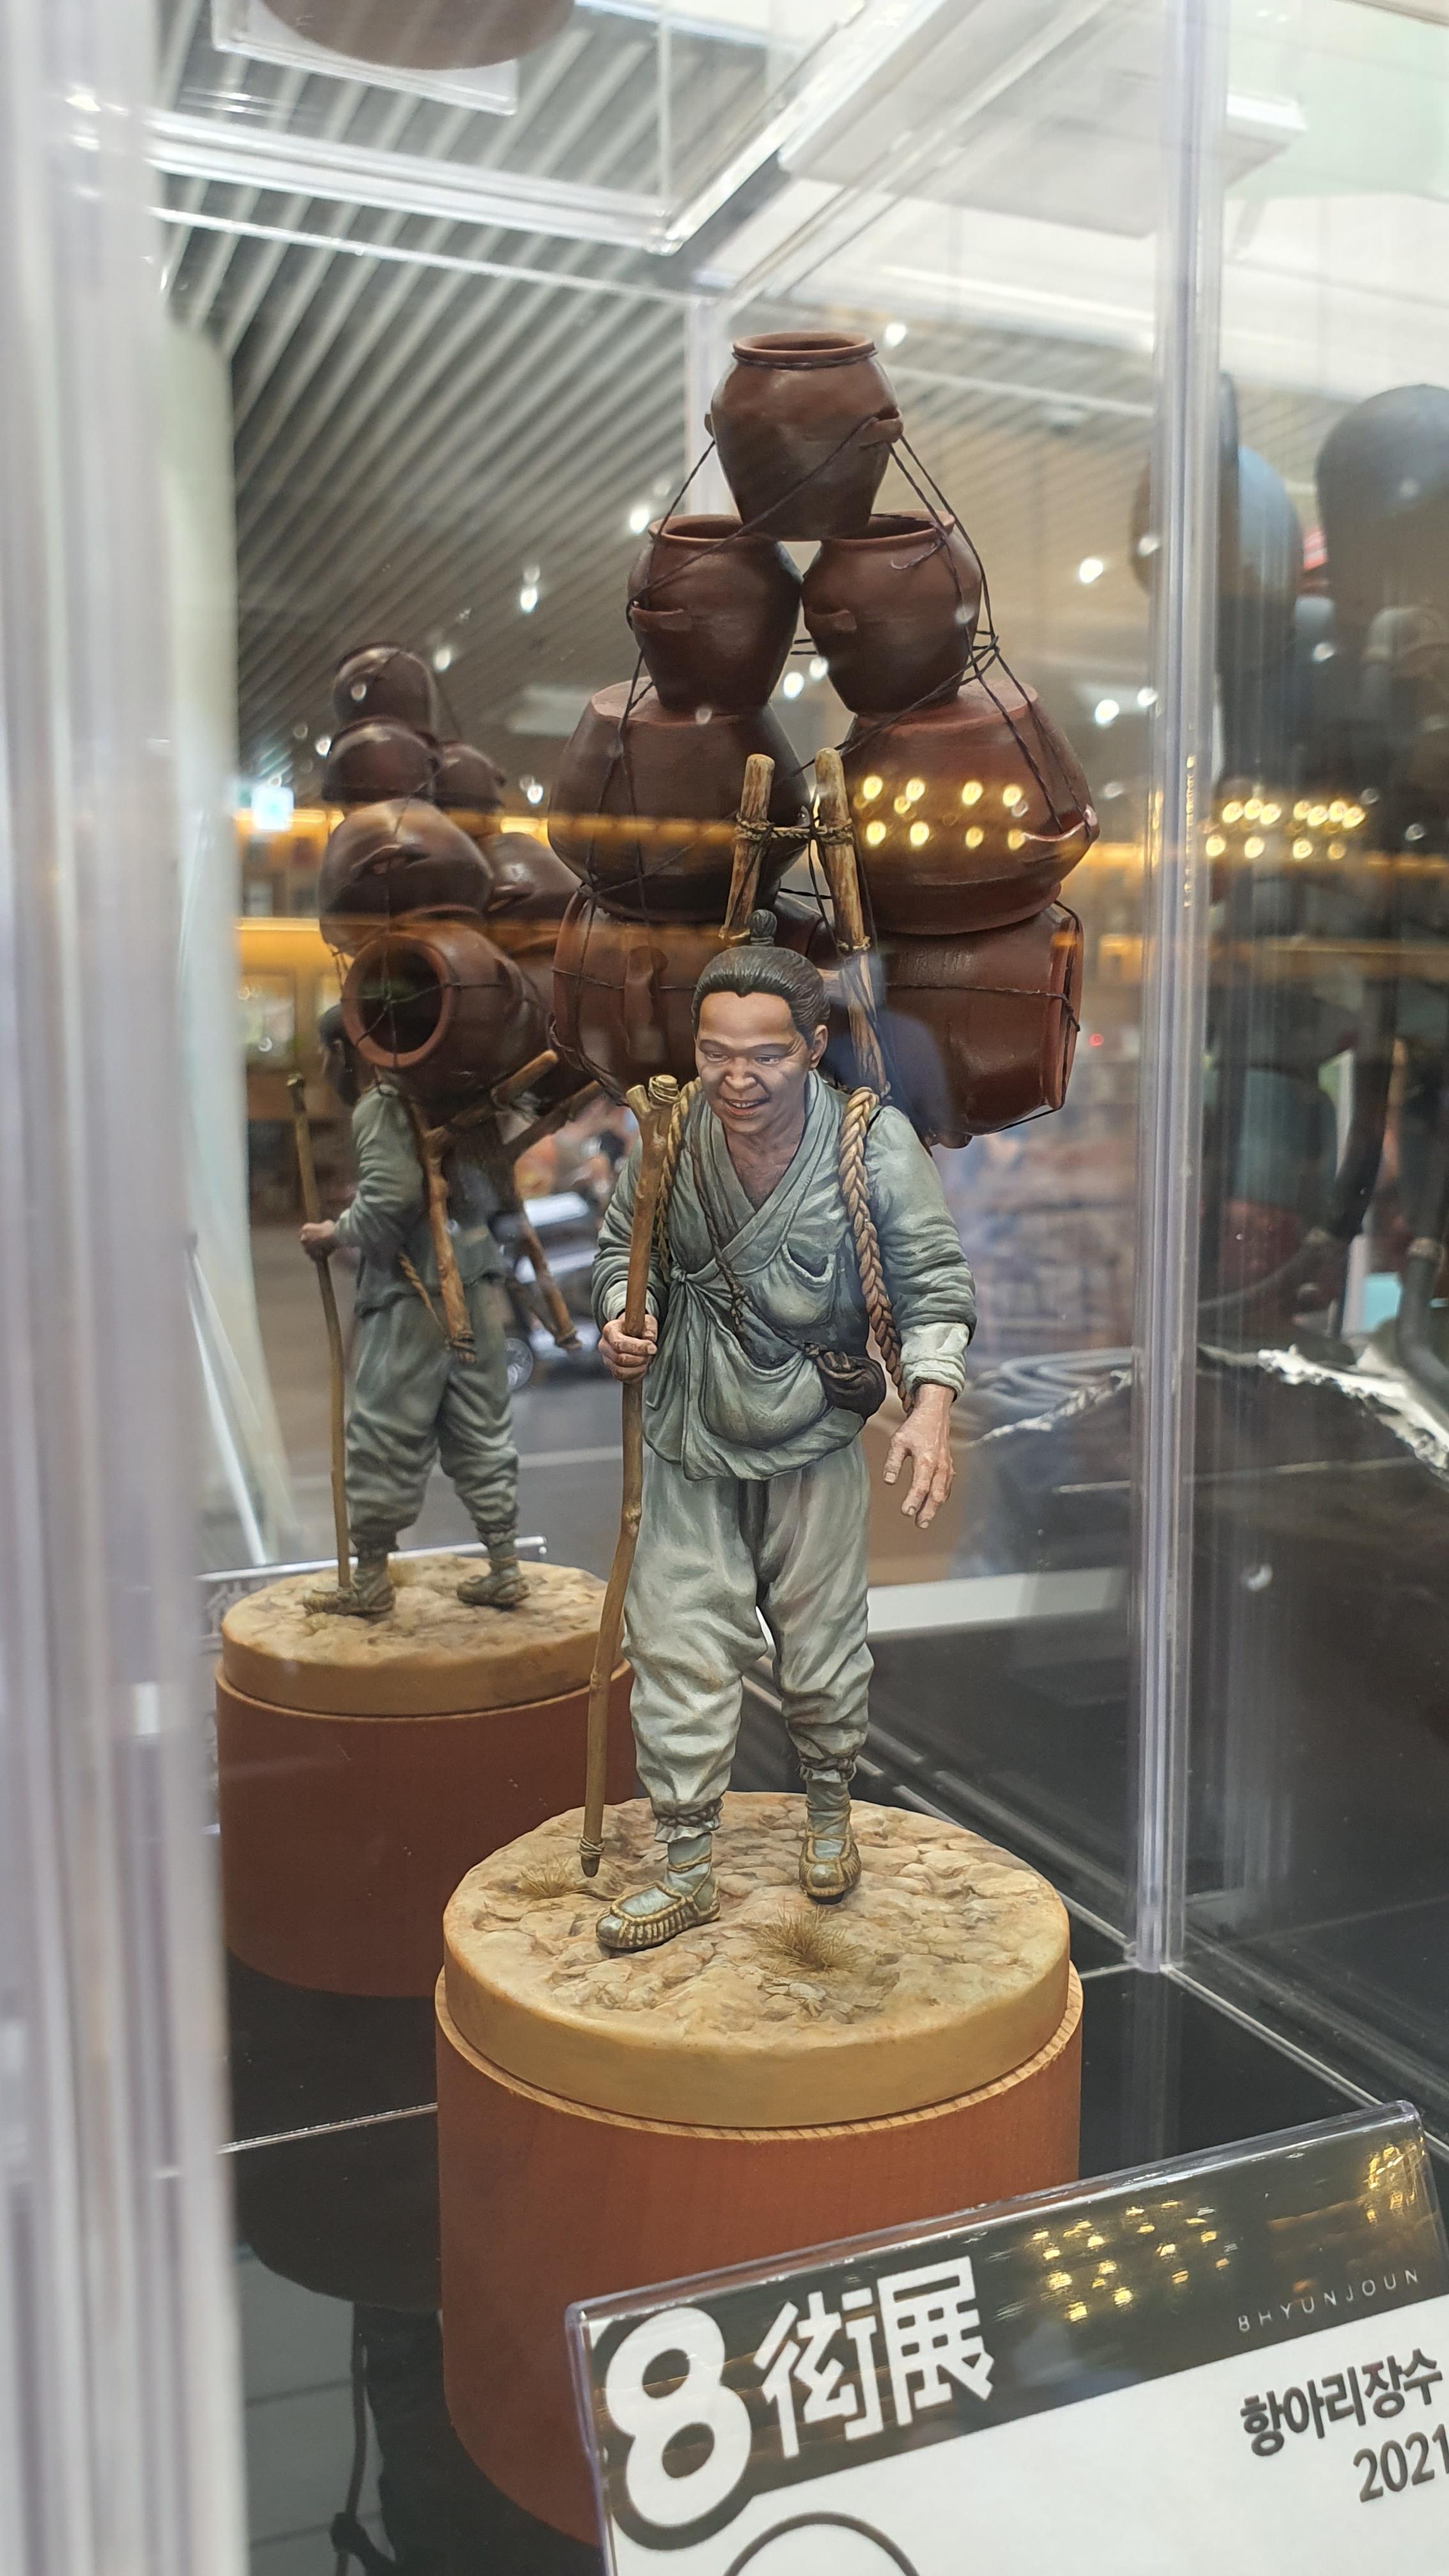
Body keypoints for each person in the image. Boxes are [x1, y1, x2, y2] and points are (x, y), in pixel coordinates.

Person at [591, 920, 976, 1953]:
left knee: (820, 1643)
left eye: (764, 1055)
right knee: (676, 1638)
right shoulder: (668, 1132)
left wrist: (931, 1403)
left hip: (811, 1434)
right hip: (688, 1427)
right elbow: (623, 1253)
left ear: (812, 1046)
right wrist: (622, 1319)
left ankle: (828, 1813)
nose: (737, 1077)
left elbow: (934, 1282)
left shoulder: (871, 1143)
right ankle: (686, 1864)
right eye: (715, 1052)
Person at [299, 1081, 526, 1618]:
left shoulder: (387, 1102)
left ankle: (371, 1576)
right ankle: (504, 1564)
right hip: (474, 1280)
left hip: (413, 1296)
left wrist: (336, 1231)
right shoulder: (465, 1090)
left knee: (386, 1430)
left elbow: (390, 1199)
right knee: (481, 1426)